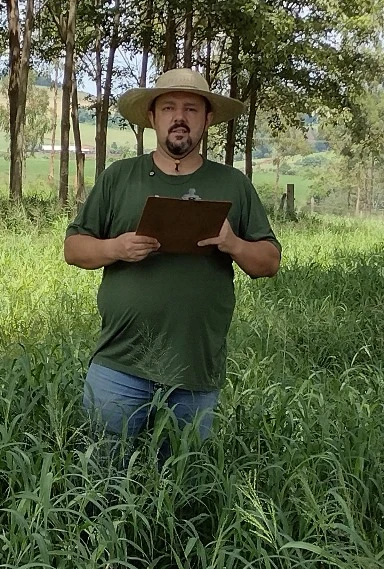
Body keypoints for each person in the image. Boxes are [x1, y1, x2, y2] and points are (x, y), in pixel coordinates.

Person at [63, 67, 281, 469]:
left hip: (195, 371)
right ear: (152, 117)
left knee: (182, 486)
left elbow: (269, 262)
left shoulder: (232, 185)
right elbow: (74, 249)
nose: (179, 117)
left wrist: (232, 243)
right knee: (101, 481)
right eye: (169, 108)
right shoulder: (119, 179)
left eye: (191, 109)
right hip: (120, 365)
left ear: (207, 119)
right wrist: (116, 247)